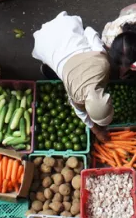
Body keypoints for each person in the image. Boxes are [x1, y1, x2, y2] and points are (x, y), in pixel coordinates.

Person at [31, 11, 113, 142]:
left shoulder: (103, 64)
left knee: (57, 64)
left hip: (61, 37)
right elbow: (80, 112)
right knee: (58, 65)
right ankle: (48, 67)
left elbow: (90, 32)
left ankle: (47, 68)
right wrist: (97, 132)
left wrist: (97, 132)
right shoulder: (75, 94)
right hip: (56, 37)